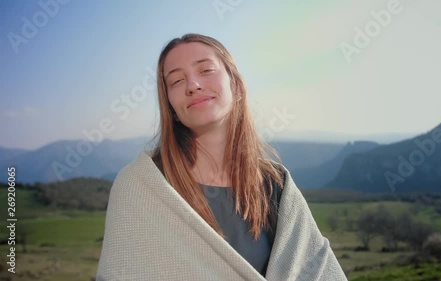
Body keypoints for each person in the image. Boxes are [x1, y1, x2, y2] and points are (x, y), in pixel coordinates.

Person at [96, 33, 348, 281]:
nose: (193, 85)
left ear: (236, 86)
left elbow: (315, 269)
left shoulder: (275, 183)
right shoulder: (140, 185)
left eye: (205, 70)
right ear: (170, 106)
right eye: (176, 81)